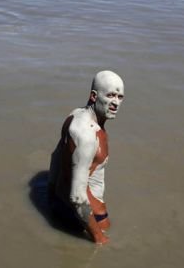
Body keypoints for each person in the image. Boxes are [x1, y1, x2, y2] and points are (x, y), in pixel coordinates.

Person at [48, 70, 125, 245]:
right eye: (111, 95)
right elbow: (77, 198)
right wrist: (99, 238)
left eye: (120, 97)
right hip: (85, 215)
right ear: (93, 96)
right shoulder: (87, 136)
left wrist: (50, 195)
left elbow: (55, 157)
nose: (115, 103)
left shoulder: (74, 115)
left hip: (60, 205)